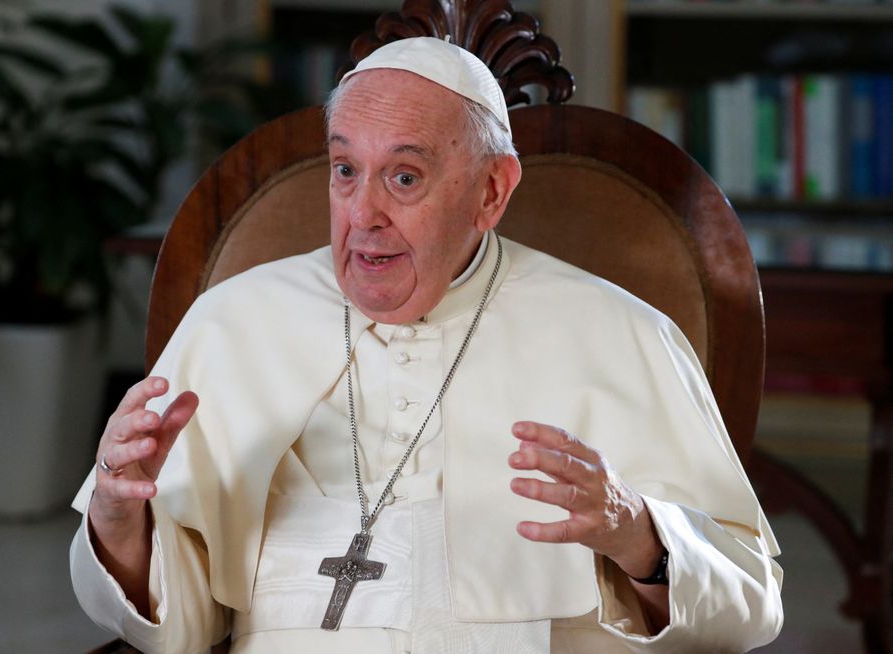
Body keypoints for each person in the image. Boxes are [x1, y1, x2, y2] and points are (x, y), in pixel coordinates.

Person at [71, 37, 783, 653]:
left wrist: (637, 535)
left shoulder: (619, 332)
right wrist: (118, 521)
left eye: (404, 177)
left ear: (491, 192)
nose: (363, 214)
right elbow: (176, 627)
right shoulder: (234, 322)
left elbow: (750, 608)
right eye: (345, 170)